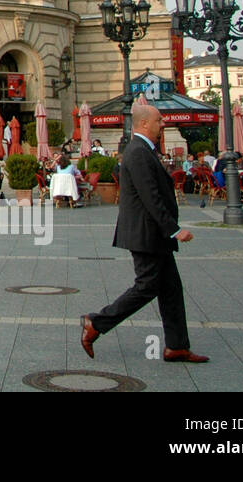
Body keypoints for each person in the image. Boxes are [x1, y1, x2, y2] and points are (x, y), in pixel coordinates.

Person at [80, 104, 207, 364]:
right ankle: (96, 322)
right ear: (145, 123)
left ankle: (177, 346)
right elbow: (151, 197)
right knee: (147, 287)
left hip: (152, 234)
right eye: (159, 121)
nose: (163, 125)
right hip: (146, 234)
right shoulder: (137, 152)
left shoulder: (143, 150)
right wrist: (174, 229)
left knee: (171, 289)